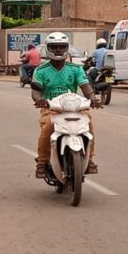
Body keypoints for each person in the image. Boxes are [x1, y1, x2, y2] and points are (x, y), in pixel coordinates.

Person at [31, 32, 101, 178]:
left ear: (67, 48)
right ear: (48, 48)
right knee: (48, 127)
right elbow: (35, 91)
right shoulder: (40, 70)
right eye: (54, 47)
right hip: (51, 109)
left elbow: (85, 85)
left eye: (61, 47)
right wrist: (39, 100)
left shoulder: (75, 69)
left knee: (88, 124)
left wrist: (93, 98)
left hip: (74, 108)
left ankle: (90, 160)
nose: (58, 50)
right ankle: (42, 163)